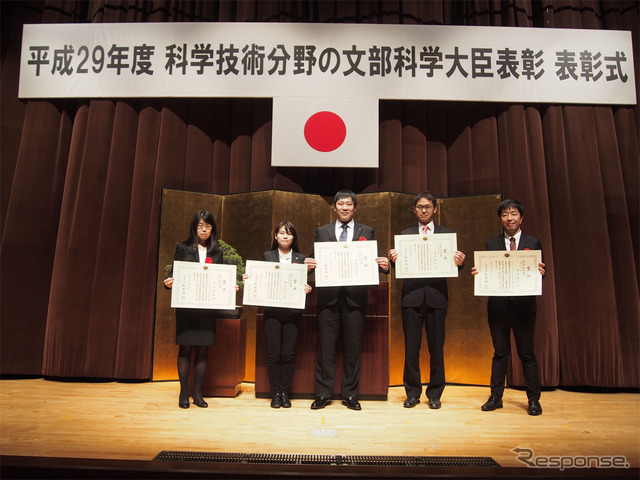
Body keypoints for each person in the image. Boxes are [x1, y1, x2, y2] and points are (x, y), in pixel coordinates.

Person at [304, 190, 390, 411]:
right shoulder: (322, 232)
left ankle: (350, 395)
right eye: (340, 204)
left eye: (348, 204)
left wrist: (385, 266)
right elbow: (315, 262)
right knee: (326, 348)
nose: (344, 208)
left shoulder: (366, 231)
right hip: (328, 299)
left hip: (355, 299)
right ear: (334, 207)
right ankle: (323, 394)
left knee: (353, 349)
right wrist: (307, 267)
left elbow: (372, 263)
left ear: (355, 208)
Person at [388, 192, 466, 410]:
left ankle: (435, 393)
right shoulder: (405, 235)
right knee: (411, 349)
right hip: (412, 298)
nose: (424, 210)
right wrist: (394, 261)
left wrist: (459, 262)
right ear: (414, 210)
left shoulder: (446, 235)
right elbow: (399, 268)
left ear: (435, 209)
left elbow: (452, 266)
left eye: (428, 207)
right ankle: (412, 393)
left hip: (436, 298)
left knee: (436, 348)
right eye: (420, 207)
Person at [471, 199, 545, 416]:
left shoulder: (533, 242)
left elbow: (540, 272)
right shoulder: (491, 244)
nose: (509, 218)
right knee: (500, 353)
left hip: (524, 307)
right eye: (505, 214)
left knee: (527, 353)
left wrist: (542, 271)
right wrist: (479, 274)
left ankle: (533, 399)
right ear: (500, 219)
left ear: (521, 218)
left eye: (513, 214)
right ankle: (496, 397)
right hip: (498, 308)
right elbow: (487, 273)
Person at [164, 210, 230, 409]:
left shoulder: (217, 251)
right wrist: (168, 283)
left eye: (208, 226)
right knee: (185, 349)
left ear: (212, 229)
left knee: (203, 350)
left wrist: (228, 286)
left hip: (207, 308)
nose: (204, 229)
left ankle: (198, 393)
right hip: (187, 307)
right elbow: (174, 274)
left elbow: (220, 277)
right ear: (194, 227)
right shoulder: (182, 248)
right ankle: (183, 392)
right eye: (201, 225)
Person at [254, 221, 312, 409]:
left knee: (288, 354)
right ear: (275, 236)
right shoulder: (267, 256)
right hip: (272, 313)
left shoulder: (301, 258)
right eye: (281, 233)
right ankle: (275, 393)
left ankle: (285, 393)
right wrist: (251, 278)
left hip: (292, 313)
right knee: (273, 354)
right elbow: (261, 279)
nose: (285, 236)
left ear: (293, 237)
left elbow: (302, 283)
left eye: (289, 233)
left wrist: (306, 288)